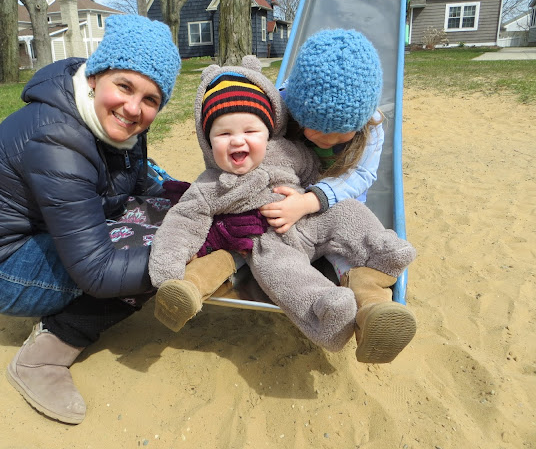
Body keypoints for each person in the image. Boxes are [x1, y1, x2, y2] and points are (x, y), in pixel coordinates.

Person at [0, 14, 181, 425]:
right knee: (152, 253)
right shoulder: (59, 138)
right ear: (95, 76)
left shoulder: (109, 121)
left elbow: (138, 183)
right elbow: (98, 271)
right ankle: (44, 358)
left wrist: (192, 202)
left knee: (170, 222)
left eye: (151, 99)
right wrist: (182, 258)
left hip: (40, 235)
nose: (133, 108)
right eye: (124, 86)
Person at [148, 56, 416, 359]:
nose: (238, 141)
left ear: (269, 132)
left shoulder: (288, 152)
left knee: (348, 212)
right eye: (223, 134)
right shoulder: (210, 184)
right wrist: (168, 268)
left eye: (250, 131)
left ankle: (381, 252)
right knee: (283, 275)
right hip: (270, 241)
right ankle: (326, 311)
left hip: (310, 217)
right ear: (207, 141)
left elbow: (318, 173)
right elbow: (183, 220)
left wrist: (309, 200)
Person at [258, 28, 417, 364]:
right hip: (291, 206)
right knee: (274, 252)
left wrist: (311, 201)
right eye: (316, 129)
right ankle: (326, 308)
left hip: (338, 204)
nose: (328, 140)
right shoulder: (282, 107)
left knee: (355, 238)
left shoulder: (371, 122)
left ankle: (373, 306)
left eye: (341, 133)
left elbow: (361, 175)